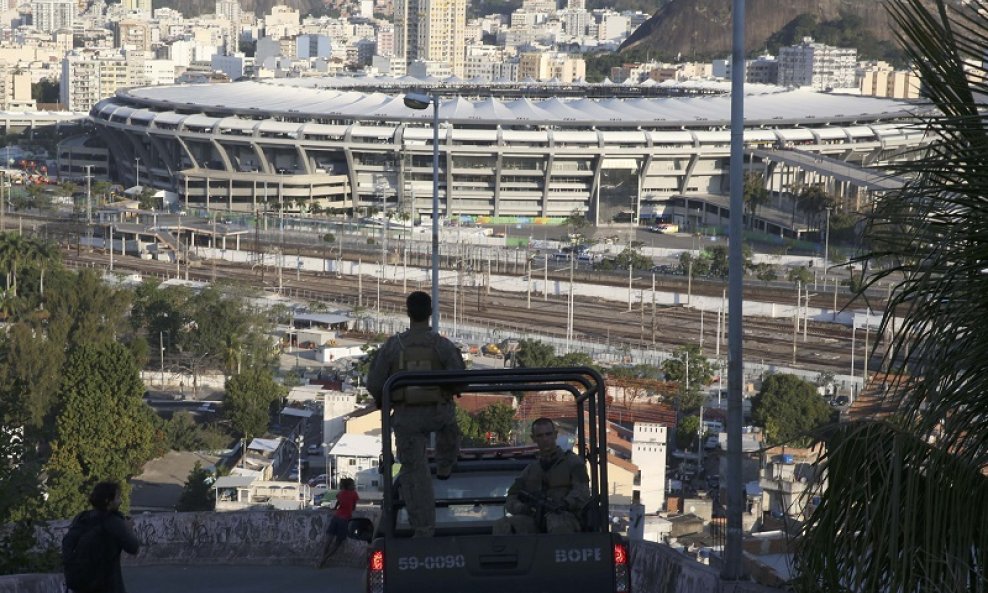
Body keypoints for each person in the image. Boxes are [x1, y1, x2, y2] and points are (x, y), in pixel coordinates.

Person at [366, 291, 466, 537]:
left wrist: (384, 398)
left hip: (406, 416)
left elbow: (375, 383)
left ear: (408, 312)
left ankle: (423, 529)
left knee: (414, 474)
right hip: (438, 412)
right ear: (430, 312)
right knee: (450, 428)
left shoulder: (393, 346)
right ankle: (444, 465)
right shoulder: (441, 345)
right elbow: (460, 380)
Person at [493, 418, 591, 535]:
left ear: (555, 435)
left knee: (557, 522)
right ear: (533, 438)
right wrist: (523, 508)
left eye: (548, 434)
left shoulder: (572, 463)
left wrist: (565, 503)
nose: (545, 439)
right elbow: (511, 497)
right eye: (540, 436)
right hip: (535, 518)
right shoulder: (530, 470)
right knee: (503, 525)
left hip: (566, 516)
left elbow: (582, 491)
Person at [62, 481, 141, 593]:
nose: (120, 501)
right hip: (107, 586)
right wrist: (128, 529)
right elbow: (134, 548)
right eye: (117, 497)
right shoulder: (113, 522)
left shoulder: (82, 517)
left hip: (81, 585)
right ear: (107, 501)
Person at [319, 478, 359, 566]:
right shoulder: (354, 494)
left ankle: (321, 557)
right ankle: (324, 559)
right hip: (344, 520)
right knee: (337, 543)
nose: (354, 486)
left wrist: (336, 507)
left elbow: (338, 500)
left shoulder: (341, 493)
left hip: (336, 517)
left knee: (328, 540)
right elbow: (353, 508)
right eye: (353, 484)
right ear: (349, 486)